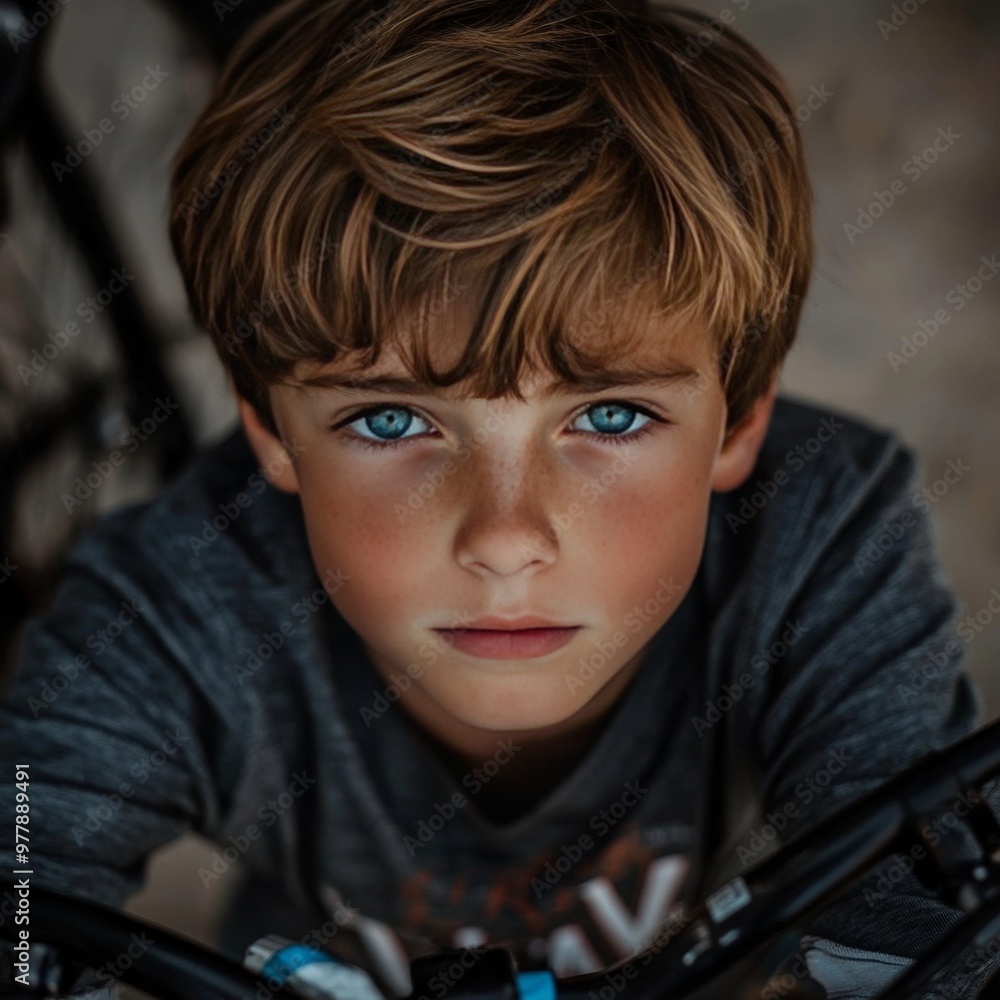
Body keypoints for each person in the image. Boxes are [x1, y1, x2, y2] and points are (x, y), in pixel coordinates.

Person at [1, 0, 996, 996]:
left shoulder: (812, 525)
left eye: (608, 417)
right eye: (391, 422)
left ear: (737, 423)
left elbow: (922, 884)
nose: (506, 539)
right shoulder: (183, 595)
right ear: (268, 428)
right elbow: (20, 875)